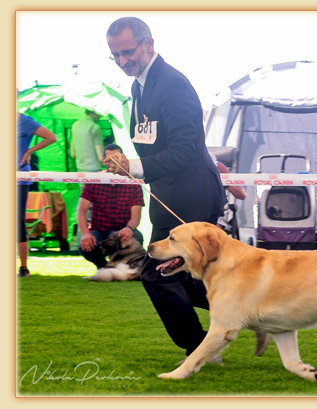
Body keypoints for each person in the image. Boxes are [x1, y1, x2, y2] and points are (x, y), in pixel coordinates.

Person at [103, 17, 270, 359]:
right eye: (114, 56)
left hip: (192, 191)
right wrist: (123, 159)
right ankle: (259, 316)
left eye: (127, 52)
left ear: (149, 43)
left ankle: (201, 347)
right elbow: (151, 141)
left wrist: (133, 167)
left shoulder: (173, 85)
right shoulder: (139, 86)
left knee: (155, 270)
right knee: (188, 277)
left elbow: (182, 152)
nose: (122, 62)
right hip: (166, 193)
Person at [77, 144, 144, 268]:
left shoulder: (133, 182)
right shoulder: (94, 180)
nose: (113, 161)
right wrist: (85, 234)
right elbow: (81, 210)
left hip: (122, 230)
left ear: (123, 159)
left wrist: (129, 228)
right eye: (110, 158)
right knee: (84, 246)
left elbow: (136, 216)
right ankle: (104, 267)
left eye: (117, 158)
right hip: (100, 231)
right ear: (104, 161)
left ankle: (126, 267)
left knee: (137, 237)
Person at [17, 112, 58, 277]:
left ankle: (23, 267)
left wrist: (29, 152)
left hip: (18, 178)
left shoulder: (24, 121)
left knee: (17, 222)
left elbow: (51, 137)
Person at [208, 152, 247, 232]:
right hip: (187, 211)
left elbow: (242, 195)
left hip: (214, 214)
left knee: (211, 232)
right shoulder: (183, 164)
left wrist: (223, 181)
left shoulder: (216, 166)